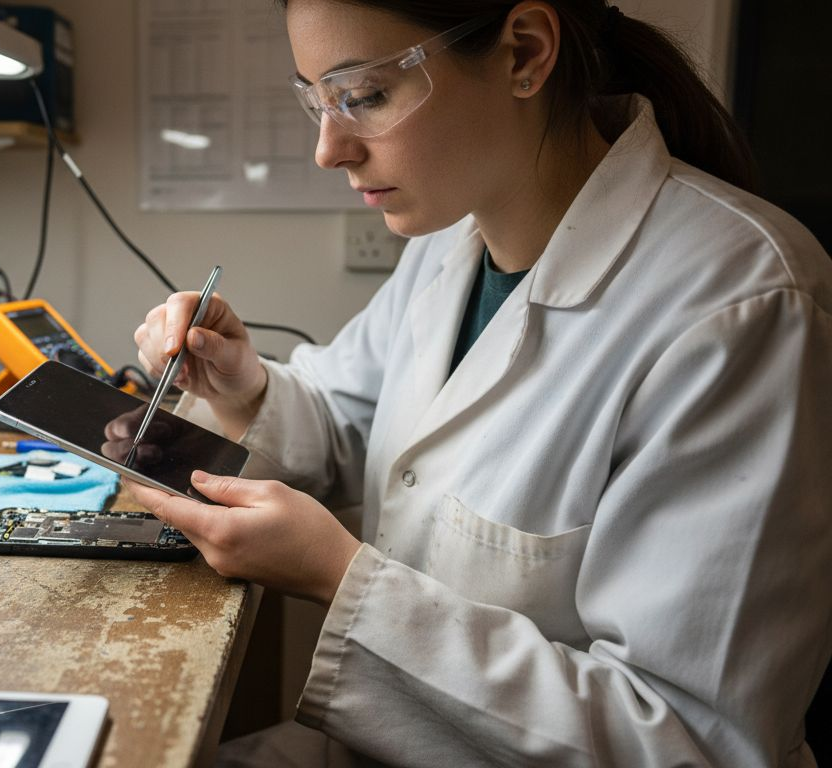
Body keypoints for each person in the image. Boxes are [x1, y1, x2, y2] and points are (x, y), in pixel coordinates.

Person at [118, 1, 832, 765]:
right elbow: (353, 415)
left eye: (362, 96)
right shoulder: (453, 235)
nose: (328, 148)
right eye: (317, 99)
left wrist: (337, 576)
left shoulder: (742, 303)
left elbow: (690, 742)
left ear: (524, 53)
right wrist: (242, 384)